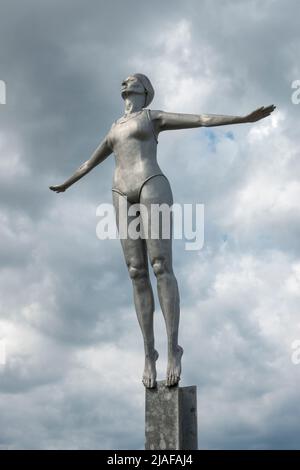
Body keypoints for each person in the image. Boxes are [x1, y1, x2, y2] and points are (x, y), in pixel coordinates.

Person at [50, 73, 275, 388]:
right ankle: (148, 353)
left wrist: (242, 119)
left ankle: (173, 349)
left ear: (144, 89)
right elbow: (89, 163)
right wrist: (65, 184)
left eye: (132, 80)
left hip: (150, 183)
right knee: (135, 271)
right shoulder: (114, 127)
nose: (124, 82)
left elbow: (200, 119)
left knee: (160, 265)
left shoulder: (152, 117)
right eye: (123, 80)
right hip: (119, 191)